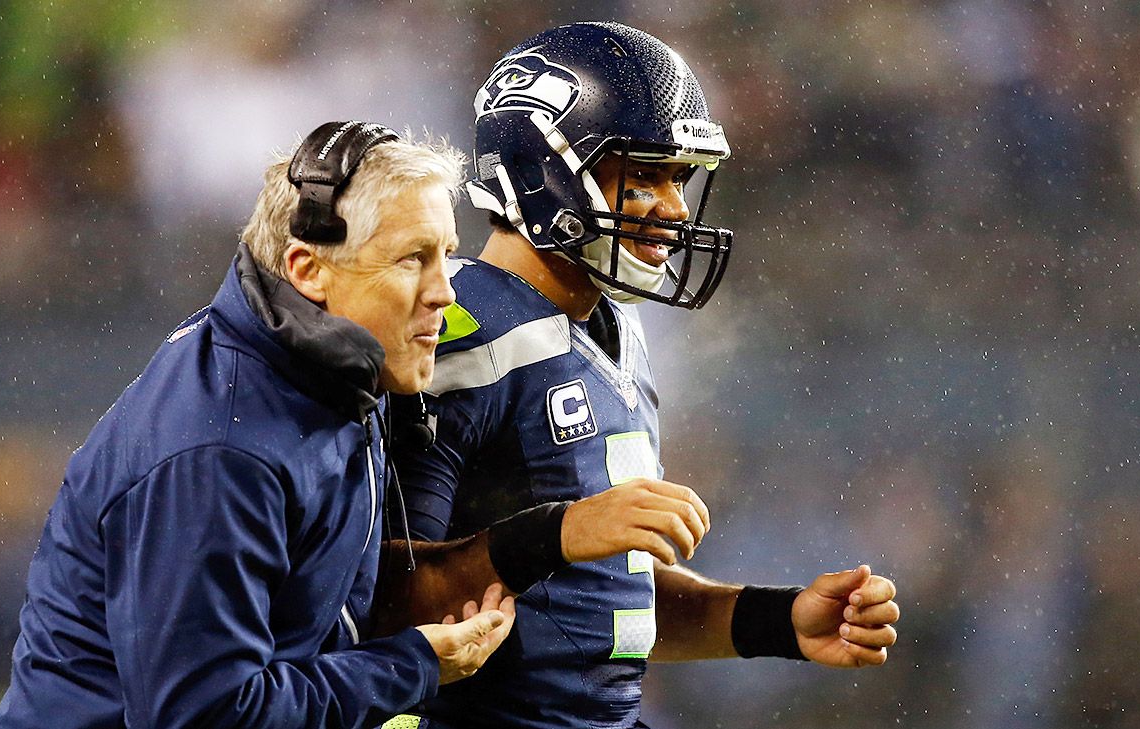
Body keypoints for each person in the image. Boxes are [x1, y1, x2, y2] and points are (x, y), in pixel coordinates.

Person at [377, 23, 901, 729]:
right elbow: (376, 601)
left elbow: (598, 602)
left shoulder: (615, 330)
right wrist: (562, 530)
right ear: (545, 170)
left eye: (679, 177)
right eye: (646, 175)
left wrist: (776, 620)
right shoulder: (460, 330)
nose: (676, 207)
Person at [0, 121, 516, 729]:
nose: (444, 294)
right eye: (412, 260)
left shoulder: (330, 372)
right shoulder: (221, 450)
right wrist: (410, 667)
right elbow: (206, 717)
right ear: (307, 269)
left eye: (447, 256)